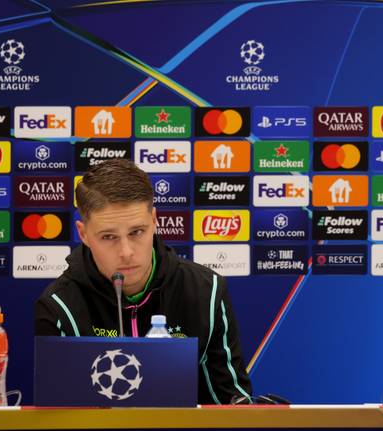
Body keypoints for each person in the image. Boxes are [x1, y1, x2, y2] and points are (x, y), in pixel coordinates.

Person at [35, 159, 252, 404]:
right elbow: (58, 415)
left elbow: (231, 405)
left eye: (136, 232)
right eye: (108, 237)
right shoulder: (59, 307)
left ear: (154, 221)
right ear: (83, 233)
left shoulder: (206, 291)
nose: (126, 252)